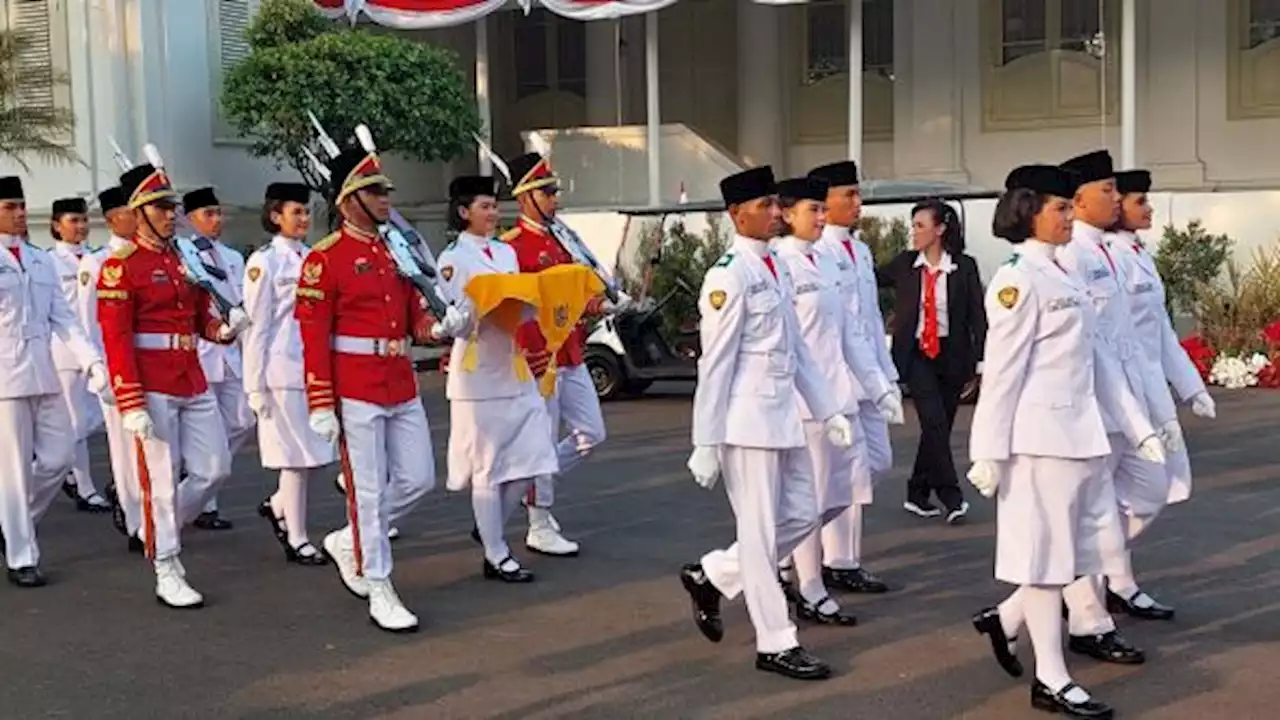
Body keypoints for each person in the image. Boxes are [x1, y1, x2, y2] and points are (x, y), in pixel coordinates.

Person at [968, 164, 1154, 719]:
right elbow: (1001, 373)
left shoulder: (1065, 275)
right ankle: (1050, 677)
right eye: (1060, 208)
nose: (1071, 217)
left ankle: (1005, 625)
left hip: (1082, 435)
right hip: (1039, 441)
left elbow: (1097, 362)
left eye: (1071, 208)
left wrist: (1138, 426)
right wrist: (987, 451)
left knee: (1083, 555)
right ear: (1028, 212)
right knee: (1047, 565)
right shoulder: (1016, 279)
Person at [678, 165, 854, 680]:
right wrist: (706, 440)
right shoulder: (728, 275)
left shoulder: (775, 266)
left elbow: (798, 353)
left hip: (785, 417)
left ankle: (712, 574)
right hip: (746, 421)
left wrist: (828, 410)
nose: (778, 213)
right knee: (758, 536)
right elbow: (716, 364)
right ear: (736, 214)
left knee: (803, 515)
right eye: (767, 206)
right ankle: (776, 641)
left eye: (779, 204)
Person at [295, 146, 452, 632]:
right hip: (354, 386)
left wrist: (438, 328)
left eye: (385, 191)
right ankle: (378, 581)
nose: (386, 199)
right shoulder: (325, 260)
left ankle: (351, 540)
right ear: (348, 200)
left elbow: (413, 315)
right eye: (375, 192)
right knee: (365, 489)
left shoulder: (395, 248)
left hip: (399, 380)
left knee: (418, 478)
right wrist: (320, 400)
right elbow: (312, 335)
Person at [97, 161, 248, 608]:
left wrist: (224, 330)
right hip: (152, 380)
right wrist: (130, 398)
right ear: (138, 211)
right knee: (160, 478)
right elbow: (115, 337)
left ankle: (158, 526)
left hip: (190, 373)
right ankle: (166, 563)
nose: (170, 214)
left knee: (215, 467)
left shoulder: (182, 257)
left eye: (171, 206)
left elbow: (200, 315)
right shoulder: (120, 267)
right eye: (161, 207)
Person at [772, 175, 901, 625]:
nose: (827, 217)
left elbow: (854, 329)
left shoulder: (830, 260)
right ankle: (806, 585)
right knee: (815, 496)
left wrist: (883, 384)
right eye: (820, 208)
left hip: (845, 393)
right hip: (809, 403)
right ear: (788, 213)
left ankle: (775, 560)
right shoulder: (782, 264)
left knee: (851, 482)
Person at [1056, 150, 1165, 665]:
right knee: (1090, 523)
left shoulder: (1107, 253)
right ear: (1077, 202)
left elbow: (1123, 340)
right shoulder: (1070, 257)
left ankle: (1017, 612)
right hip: (1083, 414)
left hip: (1118, 405)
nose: (1118, 199)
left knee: (1144, 494)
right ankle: (1087, 619)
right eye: (1110, 191)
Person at [1102, 169, 1216, 618]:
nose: (1147, 209)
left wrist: (1192, 388)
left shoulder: (1138, 254)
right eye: (1138, 201)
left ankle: (1113, 579)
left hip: (1151, 390)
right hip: (1123, 394)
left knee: (1158, 487)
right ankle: (1096, 576)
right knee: (1140, 490)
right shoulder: (1108, 256)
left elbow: (1163, 333)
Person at [437, 174, 558, 583]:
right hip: (478, 371)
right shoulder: (453, 259)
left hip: (513, 363)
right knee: (487, 466)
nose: (493, 213)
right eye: (485, 206)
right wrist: (476, 307)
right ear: (463, 212)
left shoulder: (505, 253)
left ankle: (488, 526)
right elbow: (452, 318)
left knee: (533, 458)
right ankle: (495, 552)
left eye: (494, 205)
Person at [500, 151, 621, 557]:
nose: (555, 199)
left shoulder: (563, 239)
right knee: (541, 437)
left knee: (592, 433)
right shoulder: (511, 248)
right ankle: (538, 520)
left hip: (570, 350)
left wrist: (603, 306)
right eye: (547, 192)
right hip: (540, 357)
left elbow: (575, 296)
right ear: (526, 196)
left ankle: (531, 486)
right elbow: (515, 308)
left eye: (553, 192)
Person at [0, 176, 108, 587]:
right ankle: (22, 556)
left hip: (42, 371)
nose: (20, 213)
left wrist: (92, 362)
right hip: (5, 377)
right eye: (10, 206)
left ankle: (15, 522)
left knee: (59, 457)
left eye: (21, 205)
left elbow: (64, 319)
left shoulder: (39, 259)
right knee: (12, 470)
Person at [805, 160, 902, 592]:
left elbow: (869, 318)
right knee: (834, 477)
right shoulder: (814, 252)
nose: (858, 203)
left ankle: (836, 556)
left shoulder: (858, 251)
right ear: (824, 202)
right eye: (850, 195)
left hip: (867, 376)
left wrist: (886, 377)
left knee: (873, 464)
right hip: (831, 383)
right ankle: (829, 560)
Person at [876, 199, 987, 524]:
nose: (914, 232)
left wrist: (981, 360)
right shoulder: (905, 263)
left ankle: (917, 492)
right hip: (916, 356)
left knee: (938, 428)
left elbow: (976, 316)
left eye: (920, 226)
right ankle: (951, 496)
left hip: (952, 357)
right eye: (913, 226)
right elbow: (868, 278)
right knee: (934, 423)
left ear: (940, 229)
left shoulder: (964, 266)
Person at [243, 182, 335, 565]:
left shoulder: (314, 258)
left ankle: (280, 505)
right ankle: (296, 536)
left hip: (311, 368)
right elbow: (257, 326)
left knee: (315, 455)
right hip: (280, 368)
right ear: (275, 215)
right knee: (295, 459)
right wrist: (255, 385)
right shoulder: (265, 262)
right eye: (295, 212)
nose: (303, 218)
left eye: (306, 211)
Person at [184, 187, 253, 531]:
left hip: (230, 352)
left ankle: (196, 474)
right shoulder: (183, 255)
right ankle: (205, 502)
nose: (217, 220)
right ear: (189, 219)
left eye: (218, 213)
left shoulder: (233, 257)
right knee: (207, 427)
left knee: (243, 421)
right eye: (208, 214)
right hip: (202, 350)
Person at [79, 186, 143, 550]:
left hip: (150, 365)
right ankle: (135, 522)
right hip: (115, 367)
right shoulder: (97, 262)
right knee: (124, 450)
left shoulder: (149, 257)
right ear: (111, 219)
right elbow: (88, 324)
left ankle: (152, 513)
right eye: (128, 212)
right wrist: (99, 369)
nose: (136, 218)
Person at [48, 196, 111, 512]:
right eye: (73, 221)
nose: (81, 226)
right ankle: (84, 487)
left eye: (84, 220)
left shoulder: (98, 258)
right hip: (64, 351)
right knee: (76, 420)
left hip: (98, 347)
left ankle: (63, 466)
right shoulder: (49, 262)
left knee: (97, 418)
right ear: (56, 226)